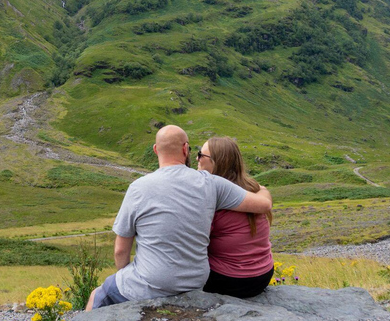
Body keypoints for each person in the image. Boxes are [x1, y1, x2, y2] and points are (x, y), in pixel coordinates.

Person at [86, 125, 273, 310]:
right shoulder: (212, 183)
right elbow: (263, 205)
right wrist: (262, 189)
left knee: (98, 294)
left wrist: (125, 277)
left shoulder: (138, 187)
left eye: (202, 155)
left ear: (155, 150)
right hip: (199, 281)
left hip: (158, 283)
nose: (198, 158)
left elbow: (120, 251)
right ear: (185, 149)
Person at [198, 137, 274, 298]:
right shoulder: (252, 191)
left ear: (217, 162)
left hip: (228, 280)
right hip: (263, 276)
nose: (197, 159)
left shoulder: (213, 197)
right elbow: (263, 191)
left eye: (201, 155)